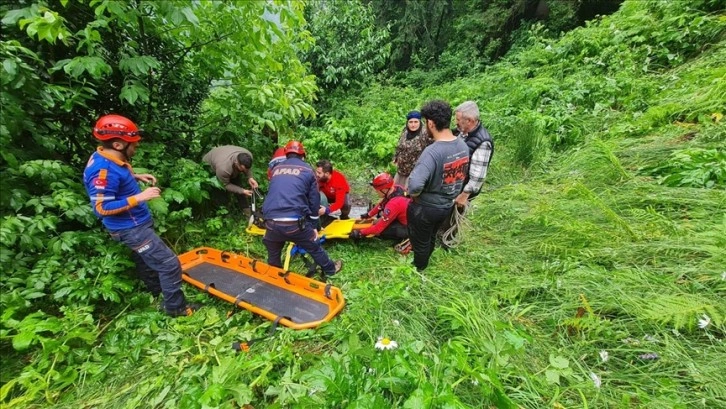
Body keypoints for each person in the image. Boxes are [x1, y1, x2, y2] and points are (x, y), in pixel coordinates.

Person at [83, 114, 198, 317]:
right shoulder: (103, 171)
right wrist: (139, 197)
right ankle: (176, 309)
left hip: (135, 224)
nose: (135, 148)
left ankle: (157, 292)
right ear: (118, 144)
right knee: (169, 264)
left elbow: (117, 177)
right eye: (133, 145)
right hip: (130, 228)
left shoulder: (106, 156)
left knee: (146, 260)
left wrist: (135, 177)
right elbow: (101, 208)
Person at [262, 141, 343, 277]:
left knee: (273, 250)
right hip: (294, 224)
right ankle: (330, 269)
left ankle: (274, 274)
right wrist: (313, 227)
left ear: (286, 155)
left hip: (270, 222)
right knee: (313, 245)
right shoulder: (307, 170)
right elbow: (314, 200)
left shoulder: (275, 169)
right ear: (303, 156)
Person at [407, 101, 469, 271]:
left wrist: (414, 193)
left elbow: (414, 186)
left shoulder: (432, 152)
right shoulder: (463, 146)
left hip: (425, 208)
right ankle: (427, 259)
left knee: (420, 242)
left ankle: (419, 270)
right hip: (446, 205)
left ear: (431, 123)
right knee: (431, 236)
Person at [438, 101, 494, 246]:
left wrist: (465, 194)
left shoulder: (482, 142)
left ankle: (447, 243)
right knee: (444, 211)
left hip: (463, 187)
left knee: (454, 215)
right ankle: (439, 235)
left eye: (458, 120)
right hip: (453, 183)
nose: (456, 123)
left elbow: (478, 175)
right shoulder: (462, 132)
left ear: (469, 120)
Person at [350, 172, 410, 241]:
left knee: (381, 231)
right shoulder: (396, 188)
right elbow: (382, 203)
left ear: (384, 190)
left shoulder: (393, 204)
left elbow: (378, 229)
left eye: (377, 190)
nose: (376, 192)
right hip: (409, 219)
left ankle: (405, 237)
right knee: (376, 221)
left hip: (410, 228)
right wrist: (369, 214)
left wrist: (360, 233)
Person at [203, 145, 259, 217]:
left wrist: (250, 177)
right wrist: (242, 191)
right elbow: (225, 185)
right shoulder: (224, 169)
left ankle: (247, 212)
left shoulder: (248, 155)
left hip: (224, 157)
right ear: (236, 163)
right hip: (209, 166)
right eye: (242, 170)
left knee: (238, 185)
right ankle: (222, 214)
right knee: (220, 192)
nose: (244, 171)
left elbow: (246, 169)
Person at [392, 111, 432, 189]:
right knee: (396, 191)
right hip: (401, 169)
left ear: (420, 122)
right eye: (410, 122)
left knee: (407, 194)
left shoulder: (425, 133)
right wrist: (395, 158)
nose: (413, 125)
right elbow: (399, 145)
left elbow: (432, 149)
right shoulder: (405, 131)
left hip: (414, 172)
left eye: (416, 122)